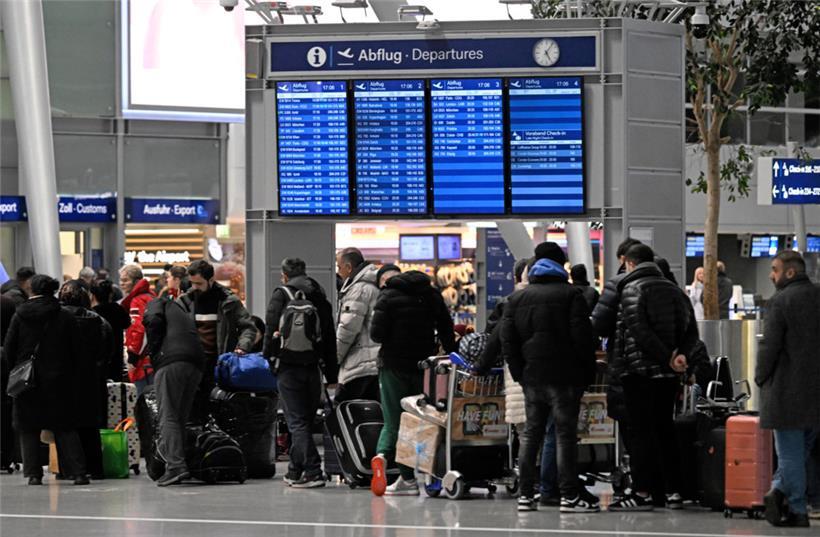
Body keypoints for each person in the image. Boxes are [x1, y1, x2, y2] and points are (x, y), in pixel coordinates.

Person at [501, 242, 598, 513]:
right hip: (566, 378)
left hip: (532, 377)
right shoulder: (572, 295)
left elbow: (508, 341)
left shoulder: (517, 299)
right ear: (560, 266)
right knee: (565, 436)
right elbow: (583, 339)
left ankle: (525, 496)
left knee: (532, 435)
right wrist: (586, 374)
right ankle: (568, 496)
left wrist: (521, 373)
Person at [606, 244, 699, 512]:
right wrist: (680, 356)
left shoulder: (631, 290)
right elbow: (692, 332)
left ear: (631, 264)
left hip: (639, 372)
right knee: (665, 430)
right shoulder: (675, 291)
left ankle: (642, 492)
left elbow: (639, 331)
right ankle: (672, 491)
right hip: (668, 375)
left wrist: (666, 356)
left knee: (641, 434)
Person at [369, 265, 456, 497]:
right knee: (416, 421)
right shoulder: (432, 295)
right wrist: (453, 355)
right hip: (423, 368)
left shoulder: (387, 296)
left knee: (393, 420)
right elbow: (447, 330)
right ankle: (419, 474)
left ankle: (384, 458)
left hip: (392, 366)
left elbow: (376, 334)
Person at [2, 275, 88, 485]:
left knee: (28, 427)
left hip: (27, 380)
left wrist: (17, 369)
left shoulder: (20, 315)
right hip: (59, 380)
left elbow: (9, 348)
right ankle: (77, 473)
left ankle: (33, 474)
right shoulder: (64, 316)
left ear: (31, 290)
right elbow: (77, 350)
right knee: (65, 427)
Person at [756, 251, 820, 528]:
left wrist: (760, 376)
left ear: (790, 273)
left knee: (790, 453)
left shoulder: (780, 302)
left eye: (774, 270)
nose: (771, 275)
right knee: (803, 450)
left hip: (787, 391)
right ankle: (779, 490)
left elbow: (770, 346)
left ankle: (796, 509)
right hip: (817, 392)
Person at [262, 258, 338, 488]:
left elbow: (270, 328)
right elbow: (329, 336)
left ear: (284, 275)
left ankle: (313, 471)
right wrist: (332, 374)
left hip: (288, 367)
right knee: (303, 420)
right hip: (313, 367)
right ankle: (296, 471)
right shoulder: (318, 293)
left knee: (296, 421)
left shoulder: (281, 294)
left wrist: (269, 358)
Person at [143, 285, 206, 487]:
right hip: (196, 363)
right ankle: (178, 462)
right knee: (179, 416)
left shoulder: (157, 302)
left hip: (172, 362)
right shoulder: (181, 312)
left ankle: (176, 466)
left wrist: (154, 354)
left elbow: (152, 321)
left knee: (168, 415)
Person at [179, 260, 256, 422]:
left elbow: (248, 327)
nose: (195, 287)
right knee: (195, 412)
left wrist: (242, 347)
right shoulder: (185, 301)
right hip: (194, 366)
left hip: (221, 365)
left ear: (211, 280)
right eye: (192, 283)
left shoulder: (229, 301)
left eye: (199, 283)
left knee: (220, 410)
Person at [59, 279, 112, 480]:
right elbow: (108, 351)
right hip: (92, 381)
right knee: (91, 426)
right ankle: (96, 468)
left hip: (64, 381)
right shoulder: (99, 321)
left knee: (66, 427)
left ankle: (69, 468)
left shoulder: (56, 320)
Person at [334, 248, 380, 402]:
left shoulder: (359, 290)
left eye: (339, 267)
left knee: (344, 409)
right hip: (374, 361)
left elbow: (347, 329)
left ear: (348, 267)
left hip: (360, 363)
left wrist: (335, 359)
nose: (338, 271)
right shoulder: (370, 285)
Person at [119, 264, 156, 395]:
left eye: (125, 280)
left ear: (135, 281)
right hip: (152, 358)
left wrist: (133, 357)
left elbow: (139, 330)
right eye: (121, 280)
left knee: (144, 403)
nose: (122, 283)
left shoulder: (137, 300)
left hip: (143, 362)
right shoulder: (150, 296)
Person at [90, 279, 131, 382]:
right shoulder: (118, 309)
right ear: (111, 294)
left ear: (93, 295)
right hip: (117, 358)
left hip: (98, 361)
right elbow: (127, 324)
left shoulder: (92, 313)